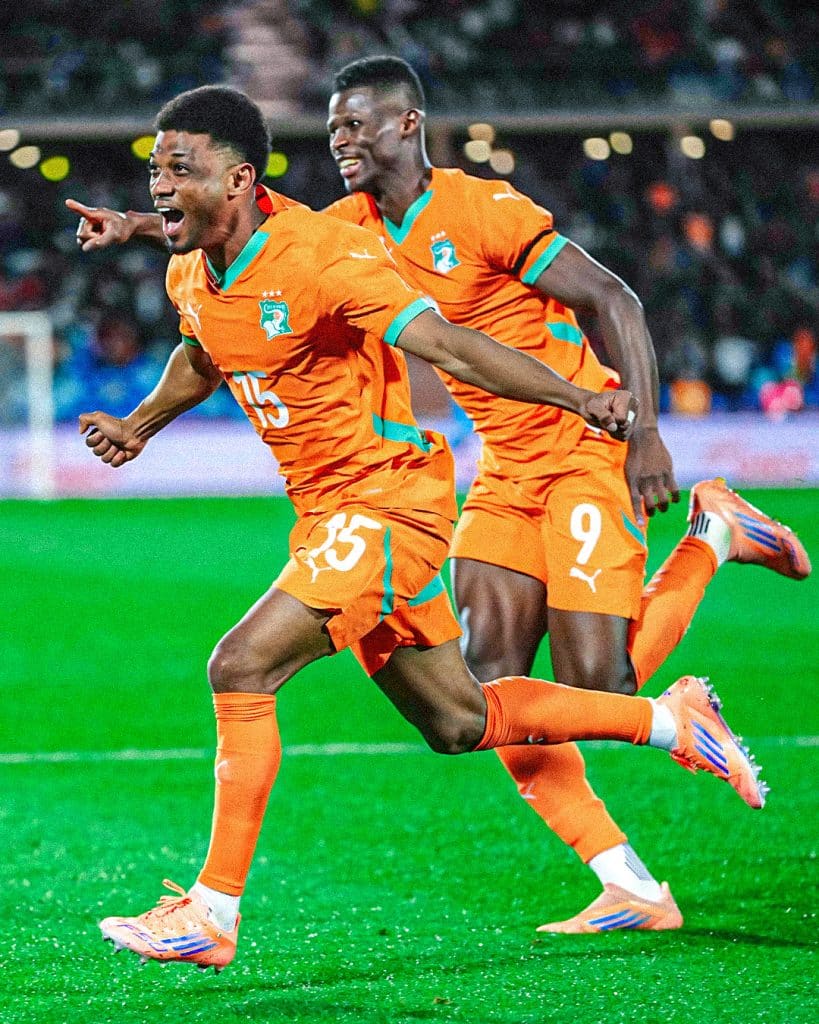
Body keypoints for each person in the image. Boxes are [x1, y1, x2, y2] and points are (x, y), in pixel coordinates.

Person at [66, 59, 811, 935]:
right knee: (464, 717)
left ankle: (211, 911)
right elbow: (208, 341)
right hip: (418, 488)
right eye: (153, 170)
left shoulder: (389, 236)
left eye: (177, 169)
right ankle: (642, 842)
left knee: (243, 667)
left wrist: (596, 404)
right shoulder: (252, 254)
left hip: (427, 492)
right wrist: (141, 416)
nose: (341, 142)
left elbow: (472, 339)